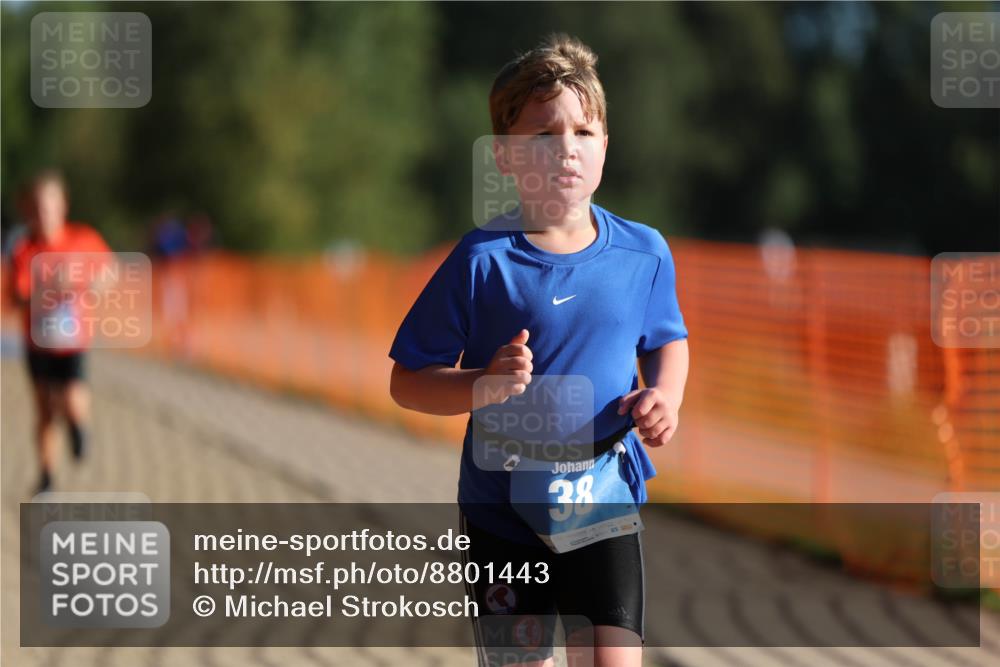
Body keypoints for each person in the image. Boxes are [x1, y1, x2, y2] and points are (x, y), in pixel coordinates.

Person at [389, 34, 689, 667]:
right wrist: (481, 385)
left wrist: (665, 396)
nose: (567, 149)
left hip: (601, 501)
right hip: (503, 516)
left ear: (606, 144)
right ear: (504, 155)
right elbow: (407, 380)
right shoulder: (481, 261)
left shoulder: (643, 252)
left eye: (584, 131)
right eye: (544, 136)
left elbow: (667, 339)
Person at [7, 170, 112, 494]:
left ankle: (79, 429)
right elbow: (16, 296)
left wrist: (88, 285)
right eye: (38, 207)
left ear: (62, 206)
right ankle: (47, 476)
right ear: (29, 210)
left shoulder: (84, 239)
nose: (44, 213)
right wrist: (48, 288)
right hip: (38, 342)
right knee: (44, 412)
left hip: (73, 340)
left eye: (50, 205)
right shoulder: (24, 249)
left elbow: (109, 272)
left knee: (72, 398)